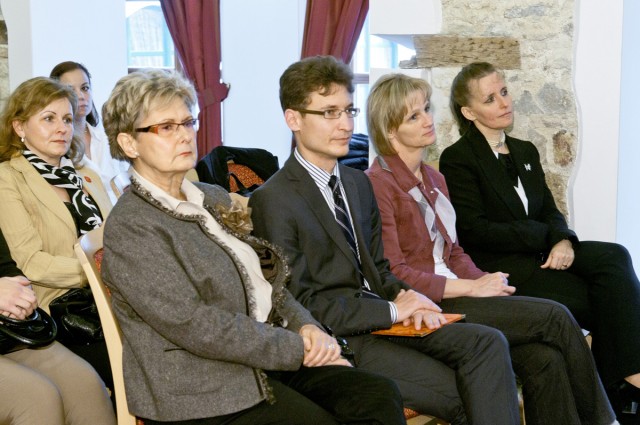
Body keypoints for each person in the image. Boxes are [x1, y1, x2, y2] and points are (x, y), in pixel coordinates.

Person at [99, 68, 406, 425]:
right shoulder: (133, 226)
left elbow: (268, 280)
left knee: (377, 394)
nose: (184, 135)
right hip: (201, 388)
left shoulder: (211, 196)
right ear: (129, 144)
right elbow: (195, 325)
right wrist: (297, 348)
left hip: (260, 359)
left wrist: (307, 328)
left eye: (188, 122)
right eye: (166, 127)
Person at [249, 55, 522, 425]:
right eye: (329, 113)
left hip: (386, 319)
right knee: (468, 392)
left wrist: (413, 300)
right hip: (344, 336)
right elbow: (300, 302)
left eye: (348, 110)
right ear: (293, 119)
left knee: (487, 342)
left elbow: (379, 269)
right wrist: (394, 310)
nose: (346, 124)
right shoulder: (274, 199)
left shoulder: (356, 183)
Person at [365, 72, 616, 424]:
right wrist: (472, 288)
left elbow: (453, 252)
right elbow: (394, 273)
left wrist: (485, 281)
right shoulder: (377, 185)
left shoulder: (433, 178)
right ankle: (606, 421)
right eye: (413, 116)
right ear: (390, 131)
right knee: (556, 316)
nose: (427, 120)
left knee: (544, 358)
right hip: (428, 304)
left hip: (459, 291)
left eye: (427, 109)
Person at [440, 61, 640, 419]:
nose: (504, 102)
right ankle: (621, 392)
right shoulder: (458, 158)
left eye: (504, 91)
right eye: (490, 98)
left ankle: (626, 382)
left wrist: (563, 240)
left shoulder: (525, 150)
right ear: (469, 112)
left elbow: (549, 208)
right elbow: (474, 230)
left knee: (615, 256)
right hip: (505, 266)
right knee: (601, 302)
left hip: (545, 251)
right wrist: (544, 236)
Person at [0, 76, 113, 389]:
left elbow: (117, 238)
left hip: (112, 298)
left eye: (66, 119)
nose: (62, 128)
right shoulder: (8, 178)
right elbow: (31, 263)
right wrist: (100, 272)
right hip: (62, 311)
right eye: (48, 119)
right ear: (19, 127)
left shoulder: (86, 176)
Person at [0, 228, 116, 425]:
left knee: (84, 382)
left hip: (5, 333)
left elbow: (6, 267)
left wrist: (18, 294)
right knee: (35, 398)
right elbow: (33, 263)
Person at [50, 61, 128, 204]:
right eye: (70, 90)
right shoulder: (55, 145)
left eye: (85, 88)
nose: (80, 96)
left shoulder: (110, 137)